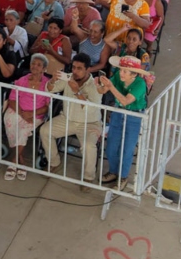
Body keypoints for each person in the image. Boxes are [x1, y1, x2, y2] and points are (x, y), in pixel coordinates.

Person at [39, 53, 104, 191]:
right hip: (67, 119)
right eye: (73, 67)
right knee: (45, 131)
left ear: (88, 70)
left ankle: (88, 178)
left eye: (79, 68)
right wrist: (52, 81)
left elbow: (89, 108)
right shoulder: (68, 77)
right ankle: (54, 162)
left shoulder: (96, 85)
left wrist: (76, 91)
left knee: (88, 146)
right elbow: (49, 90)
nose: (75, 71)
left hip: (89, 123)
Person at [97, 55, 153, 189]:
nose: (120, 73)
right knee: (111, 145)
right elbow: (102, 90)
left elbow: (125, 101)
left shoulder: (140, 84)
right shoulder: (117, 76)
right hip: (118, 112)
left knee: (127, 149)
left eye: (124, 71)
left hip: (134, 116)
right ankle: (113, 171)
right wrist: (101, 85)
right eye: (121, 70)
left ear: (134, 74)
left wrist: (110, 86)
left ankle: (123, 177)